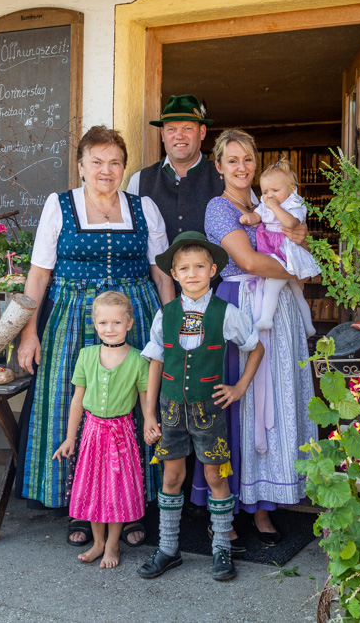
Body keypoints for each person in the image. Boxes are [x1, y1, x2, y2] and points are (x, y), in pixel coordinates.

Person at [15, 125, 174, 549]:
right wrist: (29, 333)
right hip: (73, 318)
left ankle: (132, 506)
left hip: (136, 316)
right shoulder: (60, 205)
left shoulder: (144, 208)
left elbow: (160, 271)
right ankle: (80, 509)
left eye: (115, 162)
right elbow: (39, 273)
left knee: (138, 409)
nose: (107, 170)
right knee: (77, 409)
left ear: (124, 167)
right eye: (97, 162)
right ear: (82, 166)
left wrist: (170, 324)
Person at [202, 129, 318, 545]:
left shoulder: (271, 201)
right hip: (242, 306)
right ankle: (230, 506)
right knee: (244, 402)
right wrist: (300, 266)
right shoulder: (219, 208)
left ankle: (266, 504)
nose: (241, 167)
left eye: (248, 159)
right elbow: (248, 259)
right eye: (232, 160)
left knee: (281, 397)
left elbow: (298, 233)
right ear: (218, 166)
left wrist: (298, 243)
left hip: (280, 308)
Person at [137, 232, 264, 582]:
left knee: (214, 475)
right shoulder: (166, 314)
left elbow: (255, 348)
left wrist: (239, 388)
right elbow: (155, 363)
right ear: (174, 274)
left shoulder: (226, 313)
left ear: (212, 270)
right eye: (184, 268)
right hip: (171, 408)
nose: (192, 274)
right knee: (173, 475)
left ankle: (222, 547)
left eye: (199, 267)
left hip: (209, 410)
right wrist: (149, 413)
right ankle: (168, 548)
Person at [52, 291, 150, 569]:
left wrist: (151, 426)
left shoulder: (138, 359)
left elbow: (145, 401)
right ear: (95, 324)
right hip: (92, 434)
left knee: (116, 490)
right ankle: (97, 543)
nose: (110, 329)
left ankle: (112, 543)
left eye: (117, 323)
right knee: (94, 489)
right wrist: (71, 437)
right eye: (103, 323)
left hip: (122, 433)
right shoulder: (86, 355)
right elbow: (77, 400)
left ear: (129, 323)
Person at [238, 155, 320, 336]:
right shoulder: (266, 204)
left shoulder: (295, 203)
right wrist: (249, 218)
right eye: (265, 191)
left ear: (291, 189)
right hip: (270, 246)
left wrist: (275, 207)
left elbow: (290, 223)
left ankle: (266, 318)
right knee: (297, 292)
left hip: (285, 250)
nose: (269, 196)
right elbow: (257, 215)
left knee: (273, 284)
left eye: (275, 190)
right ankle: (309, 326)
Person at [126, 94, 225, 243]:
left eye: (187, 128)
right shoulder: (139, 181)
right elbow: (128, 235)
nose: (179, 136)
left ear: (202, 132)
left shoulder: (226, 177)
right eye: (171, 129)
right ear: (162, 134)